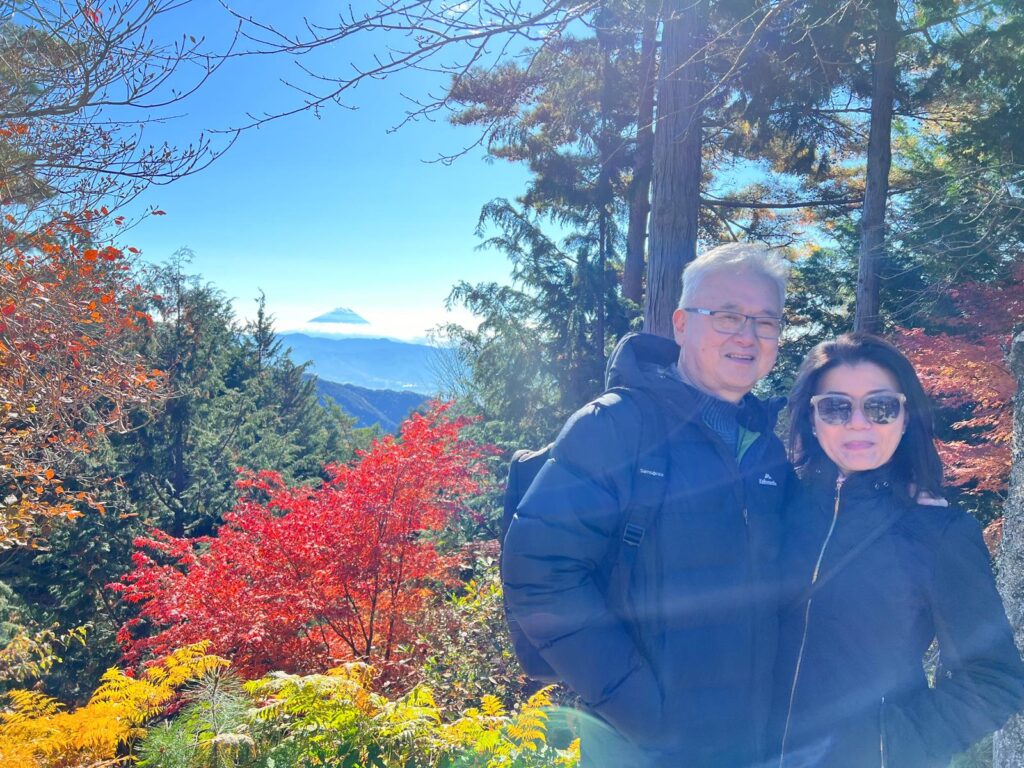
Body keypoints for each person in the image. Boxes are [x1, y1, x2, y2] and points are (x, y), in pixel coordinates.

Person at [502, 243, 792, 767]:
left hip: (749, 742)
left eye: (765, 322)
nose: (747, 335)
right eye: (727, 316)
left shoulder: (766, 449)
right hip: (641, 747)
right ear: (681, 324)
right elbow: (540, 573)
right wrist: (646, 714)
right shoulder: (615, 427)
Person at [772, 333, 1024, 768]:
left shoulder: (939, 532)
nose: (858, 423)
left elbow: (993, 677)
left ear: (905, 418)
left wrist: (891, 746)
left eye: (881, 407)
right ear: (811, 419)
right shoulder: (771, 508)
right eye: (835, 407)